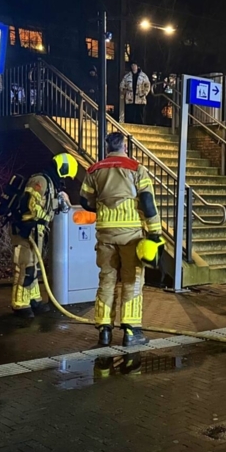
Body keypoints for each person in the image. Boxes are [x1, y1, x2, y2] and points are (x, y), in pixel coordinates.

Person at [80, 132, 162, 347]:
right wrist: (155, 233)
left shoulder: (94, 170)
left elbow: (85, 200)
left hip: (105, 233)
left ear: (107, 146)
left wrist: (102, 208)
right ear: (124, 146)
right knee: (132, 280)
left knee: (106, 279)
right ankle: (131, 333)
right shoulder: (136, 169)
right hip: (131, 234)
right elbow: (147, 201)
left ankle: (104, 331)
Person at [10, 153, 77, 318]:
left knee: (34, 268)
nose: (66, 179)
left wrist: (60, 200)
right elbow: (30, 204)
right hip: (26, 230)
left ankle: (33, 299)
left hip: (36, 231)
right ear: (63, 168)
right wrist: (56, 203)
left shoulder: (51, 183)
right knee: (26, 267)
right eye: (66, 175)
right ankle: (20, 303)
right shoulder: (40, 181)